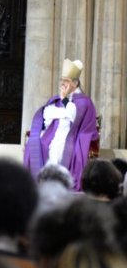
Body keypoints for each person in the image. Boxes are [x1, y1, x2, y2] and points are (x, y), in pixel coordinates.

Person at [23, 58, 99, 189]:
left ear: (75, 83)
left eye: (66, 81)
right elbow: (47, 113)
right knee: (35, 143)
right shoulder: (60, 98)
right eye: (62, 80)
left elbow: (73, 115)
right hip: (54, 132)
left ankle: (57, 183)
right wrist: (60, 109)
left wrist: (62, 104)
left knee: (58, 148)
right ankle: (40, 182)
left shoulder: (84, 101)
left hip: (73, 136)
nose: (63, 84)